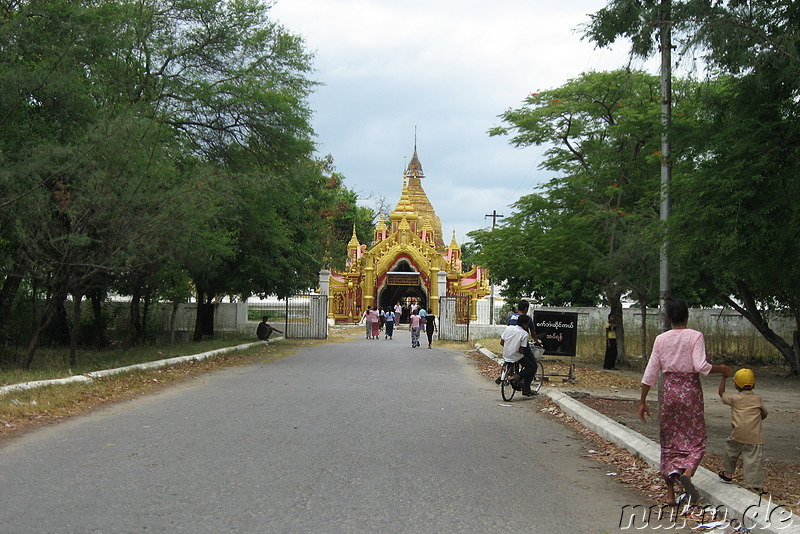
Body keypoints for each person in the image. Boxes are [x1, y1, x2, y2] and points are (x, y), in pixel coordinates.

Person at [639, 298, 731, 506]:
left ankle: (670, 494)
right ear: (687, 316)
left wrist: (642, 401)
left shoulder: (660, 339)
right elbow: (701, 365)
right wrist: (721, 369)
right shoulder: (695, 336)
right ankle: (688, 471)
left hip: (669, 392)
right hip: (690, 392)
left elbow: (651, 372)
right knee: (696, 439)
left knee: (670, 441)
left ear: (668, 317)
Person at [717, 368, 768, 491]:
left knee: (731, 452)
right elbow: (765, 413)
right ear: (753, 384)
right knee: (753, 460)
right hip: (754, 436)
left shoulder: (734, 398)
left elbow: (721, 393)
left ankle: (728, 473)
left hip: (737, 434)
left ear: (735, 385)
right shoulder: (758, 399)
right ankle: (753, 484)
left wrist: (723, 377)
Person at [498, 314, 537, 396]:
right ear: (525, 324)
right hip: (516, 356)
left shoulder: (508, 328)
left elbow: (502, 342)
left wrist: (509, 347)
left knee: (514, 360)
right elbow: (521, 350)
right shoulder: (524, 334)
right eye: (527, 324)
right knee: (531, 367)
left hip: (506, 354)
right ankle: (518, 378)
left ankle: (505, 375)